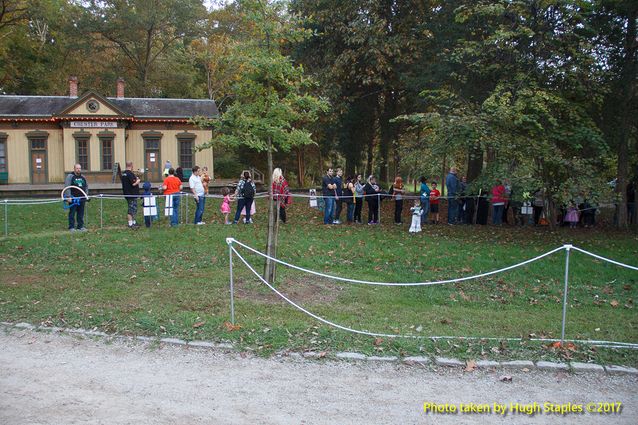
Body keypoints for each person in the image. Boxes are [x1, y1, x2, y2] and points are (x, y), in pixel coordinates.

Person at [64, 163, 89, 232]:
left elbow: (86, 186)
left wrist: (86, 195)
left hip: (82, 198)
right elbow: (67, 187)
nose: (78, 170)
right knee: (72, 213)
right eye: (77, 168)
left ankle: (80, 226)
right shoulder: (70, 176)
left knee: (81, 213)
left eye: (80, 168)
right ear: (74, 169)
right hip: (73, 198)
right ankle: (71, 227)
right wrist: (68, 196)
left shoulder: (83, 177)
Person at [121, 161, 141, 229]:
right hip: (131, 194)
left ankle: (133, 222)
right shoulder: (130, 174)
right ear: (131, 165)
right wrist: (138, 181)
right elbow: (133, 183)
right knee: (131, 209)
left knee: (133, 208)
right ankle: (130, 223)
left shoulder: (124, 174)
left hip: (126, 193)